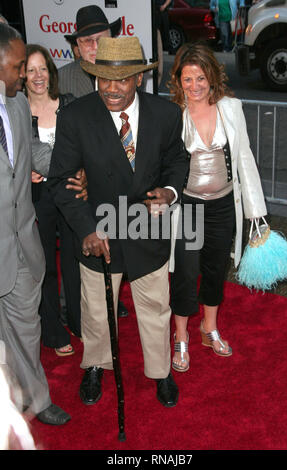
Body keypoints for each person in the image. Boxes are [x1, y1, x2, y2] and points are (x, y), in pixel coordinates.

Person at [48, 36, 189, 408]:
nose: (111, 88)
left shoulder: (166, 115)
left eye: (122, 80)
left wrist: (171, 192)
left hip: (148, 230)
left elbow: (178, 159)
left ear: (138, 79)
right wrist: (86, 228)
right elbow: (61, 180)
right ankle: (95, 365)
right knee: (96, 308)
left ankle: (160, 372)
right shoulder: (75, 117)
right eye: (104, 79)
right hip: (99, 232)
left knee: (156, 307)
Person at [168, 42, 267, 372]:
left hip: (225, 205)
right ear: (178, 81)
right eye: (187, 79)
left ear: (212, 76)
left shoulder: (231, 107)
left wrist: (256, 211)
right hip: (191, 210)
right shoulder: (173, 114)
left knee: (215, 270)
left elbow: (244, 159)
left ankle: (208, 328)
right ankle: (180, 334)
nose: (194, 86)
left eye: (200, 78)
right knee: (185, 272)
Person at [0, 23, 70, 424]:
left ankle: (37, 400)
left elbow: (37, 153)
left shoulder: (17, 106)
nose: (24, 74)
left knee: (27, 329)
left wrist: (76, 169)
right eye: (18, 65)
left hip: (23, 243)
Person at [59, 4, 128, 319]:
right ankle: (79, 314)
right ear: (76, 47)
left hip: (115, 182)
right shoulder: (61, 81)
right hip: (77, 187)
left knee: (118, 243)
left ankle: (115, 297)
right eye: (86, 41)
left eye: (100, 38)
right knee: (81, 250)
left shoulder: (126, 75)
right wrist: (80, 171)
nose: (94, 46)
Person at [24, 44, 84, 353]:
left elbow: (83, 145)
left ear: (51, 71)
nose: (38, 76)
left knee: (75, 259)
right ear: (23, 75)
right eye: (31, 69)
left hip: (71, 190)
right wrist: (25, 172)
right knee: (44, 263)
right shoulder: (17, 110)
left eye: (43, 68)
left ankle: (77, 319)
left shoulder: (69, 104)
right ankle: (53, 330)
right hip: (39, 197)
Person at [58, 5, 121, 98]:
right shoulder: (60, 78)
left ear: (111, 40)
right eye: (88, 40)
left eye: (101, 39)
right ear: (78, 44)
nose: (95, 47)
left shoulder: (130, 73)